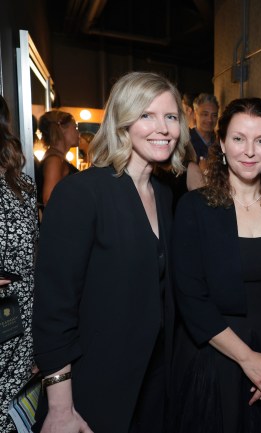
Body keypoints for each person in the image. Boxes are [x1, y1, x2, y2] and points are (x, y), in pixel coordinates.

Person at [32, 71, 189, 433]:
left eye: (171, 117)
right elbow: (54, 310)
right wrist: (60, 409)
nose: (162, 128)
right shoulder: (81, 194)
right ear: (122, 122)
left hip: (152, 386)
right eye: (146, 116)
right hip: (92, 389)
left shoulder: (163, 194)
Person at [172, 97, 261, 433]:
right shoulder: (194, 208)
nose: (249, 151)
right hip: (216, 358)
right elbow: (190, 298)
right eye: (239, 139)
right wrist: (247, 359)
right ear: (223, 144)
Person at [0, 95, 38, 432]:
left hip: (18, 314)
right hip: (20, 311)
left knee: (13, 412)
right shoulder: (21, 186)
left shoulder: (22, 185)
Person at [36, 110, 80, 207]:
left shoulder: (56, 158)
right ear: (62, 129)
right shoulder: (54, 161)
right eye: (75, 128)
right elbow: (49, 200)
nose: (78, 132)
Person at [190, 93, 219, 161]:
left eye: (214, 115)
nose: (210, 119)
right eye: (205, 114)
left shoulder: (219, 142)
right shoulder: (186, 142)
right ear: (195, 115)